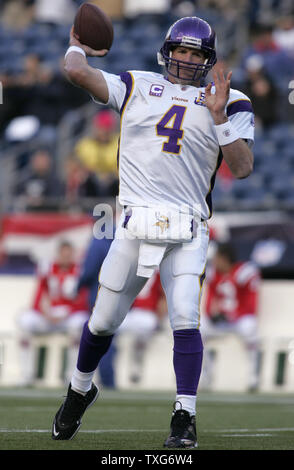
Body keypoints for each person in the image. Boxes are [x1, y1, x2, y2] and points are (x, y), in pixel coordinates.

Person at [52, 16, 254, 448]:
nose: (185, 59)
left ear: (207, 58)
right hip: (134, 221)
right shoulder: (135, 83)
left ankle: (185, 416)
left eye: (195, 53)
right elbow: (74, 71)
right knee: (102, 321)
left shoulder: (231, 100)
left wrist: (218, 117)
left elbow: (242, 167)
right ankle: (79, 390)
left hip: (187, 225)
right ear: (167, 52)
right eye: (180, 50)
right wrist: (78, 47)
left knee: (185, 315)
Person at [18, 240, 89, 386]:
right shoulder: (47, 270)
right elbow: (39, 295)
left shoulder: (80, 271)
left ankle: (71, 376)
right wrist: (45, 312)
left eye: (69, 254)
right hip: (48, 316)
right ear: (58, 254)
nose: (66, 257)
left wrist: (68, 312)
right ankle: (27, 375)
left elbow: (84, 299)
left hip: (69, 316)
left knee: (80, 325)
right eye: (63, 254)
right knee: (24, 322)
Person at [201, 243, 261, 392]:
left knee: (250, 328)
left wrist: (231, 315)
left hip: (239, 319)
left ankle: (253, 376)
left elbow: (251, 304)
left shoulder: (245, 272)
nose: (214, 262)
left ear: (224, 258)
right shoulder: (214, 274)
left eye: (216, 258)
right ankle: (205, 374)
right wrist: (213, 315)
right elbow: (209, 300)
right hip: (221, 320)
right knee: (199, 330)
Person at [118, 270, 167, 384]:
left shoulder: (158, 273)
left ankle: (137, 365)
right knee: (110, 328)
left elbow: (163, 297)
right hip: (133, 313)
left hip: (149, 314)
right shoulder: (136, 270)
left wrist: (160, 320)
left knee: (143, 331)